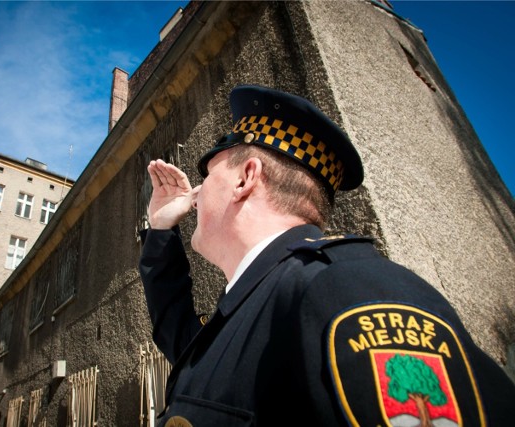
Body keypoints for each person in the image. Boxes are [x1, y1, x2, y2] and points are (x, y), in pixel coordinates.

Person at [138, 85, 515, 426]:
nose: (197, 193)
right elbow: (185, 343)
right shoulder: (262, 301)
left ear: (245, 178)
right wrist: (160, 230)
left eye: (208, 176)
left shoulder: (347, 289)